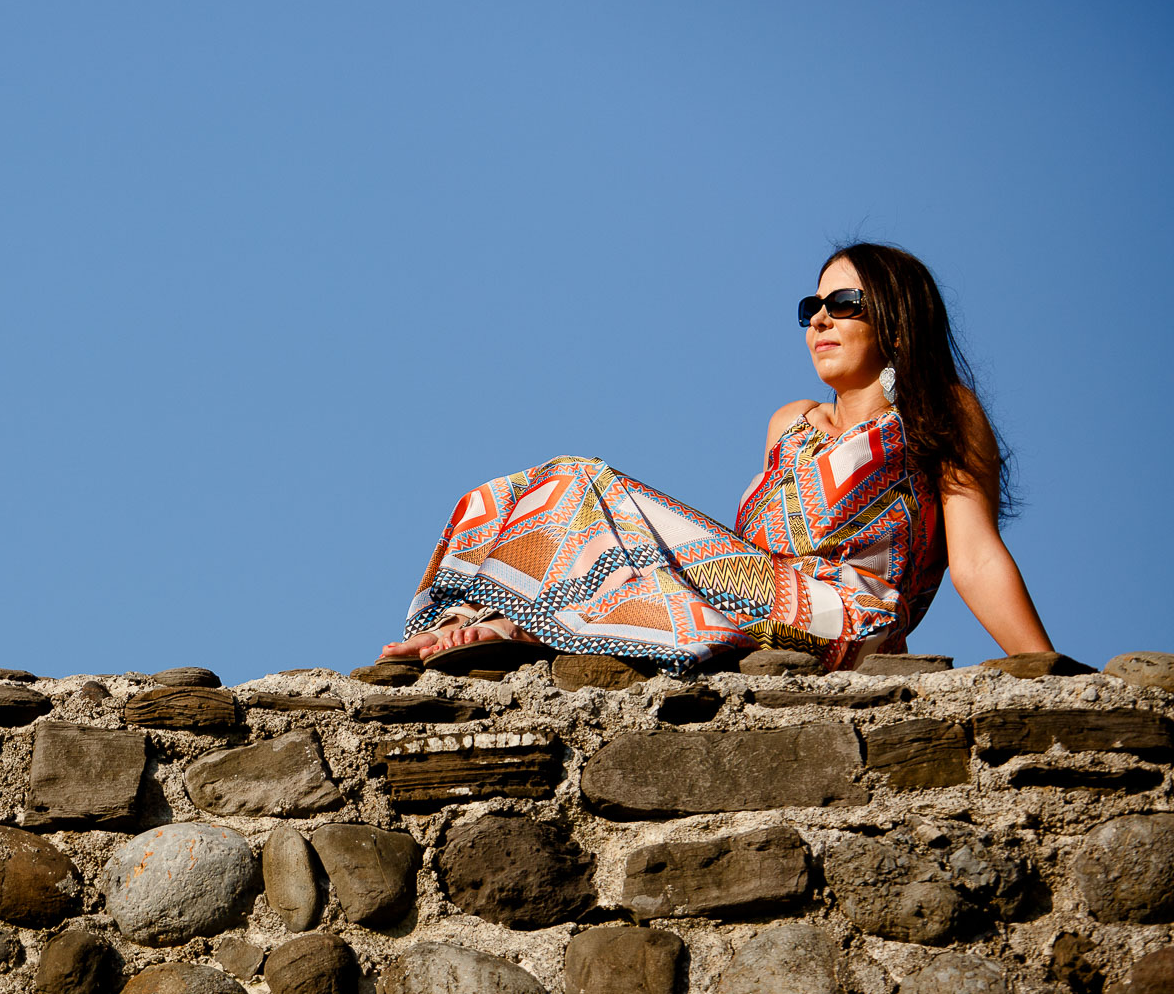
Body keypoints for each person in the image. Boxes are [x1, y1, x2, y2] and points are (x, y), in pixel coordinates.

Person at [379, 243, 1054, 675]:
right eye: (810, 306)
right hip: (761, 600)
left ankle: (515, 622)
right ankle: (477, 622)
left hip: (849, 617)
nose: (820, 319)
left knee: (581, 481)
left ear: (897, 321)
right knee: (519, 494)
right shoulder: (789, 425)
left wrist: (1046, 669)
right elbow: (742, 558)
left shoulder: (939, 410)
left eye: (843, 303)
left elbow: (974, 557)